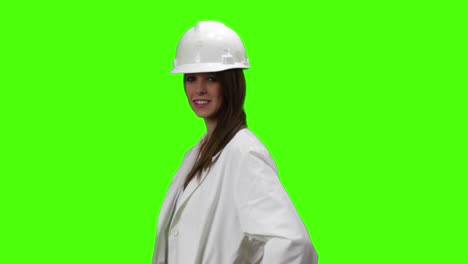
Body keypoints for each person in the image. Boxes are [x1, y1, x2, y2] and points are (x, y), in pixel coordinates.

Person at [152, 21, 318, 264]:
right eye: (190, 78)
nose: (199, 89)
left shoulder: (244, 154)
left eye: (211, 78)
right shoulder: (194, 155)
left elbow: (294, 244)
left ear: (231, 83)